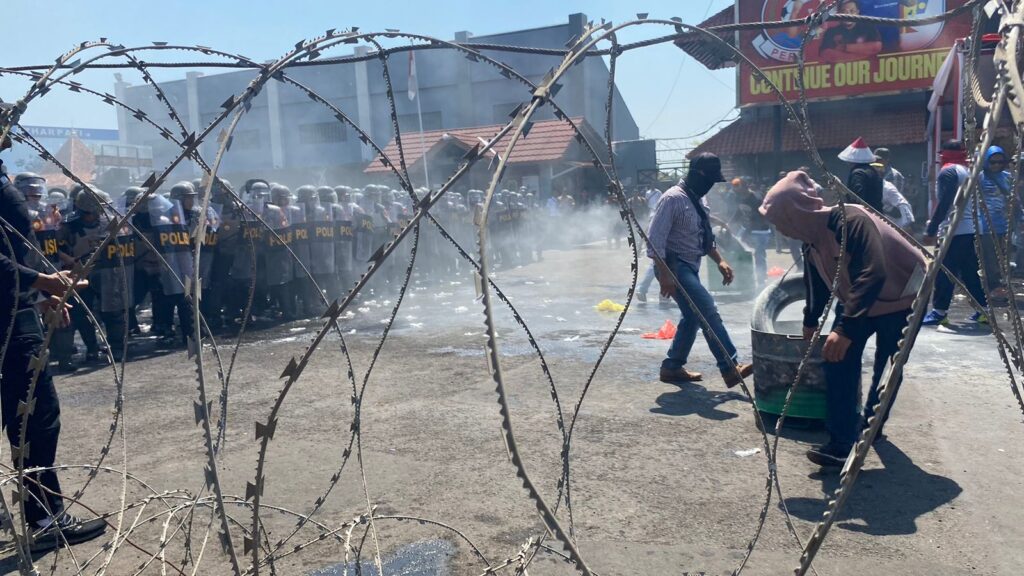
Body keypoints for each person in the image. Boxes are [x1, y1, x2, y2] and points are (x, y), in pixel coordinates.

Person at [760, 170, 926, 466]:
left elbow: (872, 272)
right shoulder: (810, 242)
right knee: (836, 361)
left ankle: (871, 427)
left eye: (779, 220)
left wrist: (846, 327)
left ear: (795, 213)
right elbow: (819, 283)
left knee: (886, 369)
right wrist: (811, 321)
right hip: (860, 301)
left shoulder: (851, 221)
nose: (778, 229)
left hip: (903, 299)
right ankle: (841, 443)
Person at [0, 130, 107, 553]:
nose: (8, 134)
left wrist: (40, 293)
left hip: (15, 305)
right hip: (5, 316)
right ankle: (44, 517)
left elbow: (14, 248)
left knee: (28, 412)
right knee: (35, 413)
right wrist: (42, 281)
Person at [647, 153, 753, 388]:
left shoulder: (699, 200)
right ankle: (729, 365)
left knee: (693, 316)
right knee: (706, 308)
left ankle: (672, 367)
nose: (710, 186)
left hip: (690, 266)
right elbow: (654, 241)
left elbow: (705, 236)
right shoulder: (672, 199)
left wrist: (719, 260)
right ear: (697, 175)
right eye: (709, 180)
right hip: (673, 266)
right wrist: (665, 276)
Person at [922, 141, 989, 326]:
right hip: (973, 229)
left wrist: (931, 229)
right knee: (969, 272)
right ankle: (984, 310)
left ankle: (939, 311)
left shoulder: (948, 171)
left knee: (944, 271)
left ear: (945, 154)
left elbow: (944, 203)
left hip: (955, 230)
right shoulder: (969, 171)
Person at [976, 145, 1016, 298]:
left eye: (1000, 162)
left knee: (1003, 258)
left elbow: (1014, 199)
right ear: (986, 162)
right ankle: (993, 286)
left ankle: (997, 284)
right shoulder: (979, 177)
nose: (997, 165)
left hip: (1004, 225)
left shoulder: (1007, 177)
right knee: (990, 258)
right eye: (993, 162)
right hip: (985, 226)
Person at [818, 0, 883, 63]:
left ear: (857, 12)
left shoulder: (867, 27)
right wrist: (863, 54)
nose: (848, 15)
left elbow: (876, 47)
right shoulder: (831, 32)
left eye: (852, 11)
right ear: (838, 13)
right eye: (844, 11)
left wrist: (845, 47)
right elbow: (827, 55)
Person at [839, 137, 884, 212]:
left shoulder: (858, 174)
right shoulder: (873, 171)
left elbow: (857, 198)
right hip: (877, 212)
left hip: (866, 214)